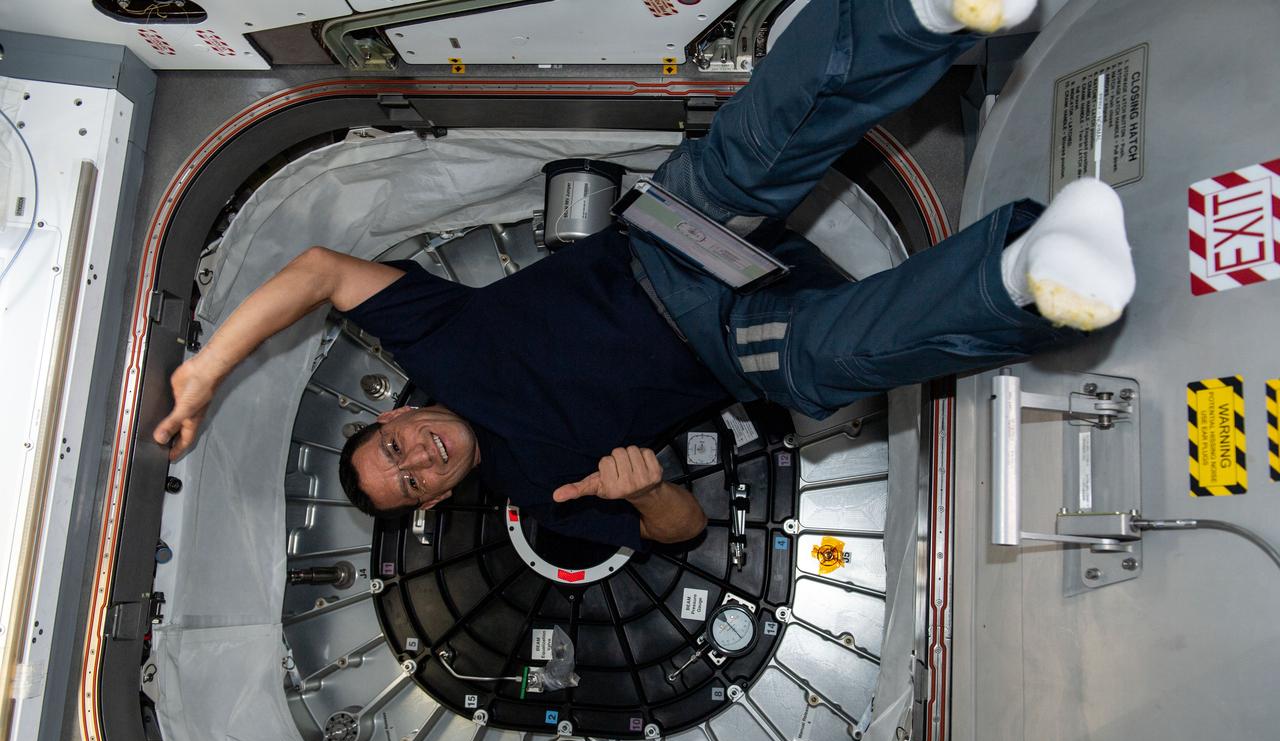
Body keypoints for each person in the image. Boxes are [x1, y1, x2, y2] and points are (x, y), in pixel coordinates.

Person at [153, 0, 1135, 551]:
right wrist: (647, 484)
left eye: (392, 445)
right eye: (408, 479)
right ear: (426, 503)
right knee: (812, 362)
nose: (415, 456)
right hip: (722, 339)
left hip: (667, 249)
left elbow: (320, 268)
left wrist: (204, 367)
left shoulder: (433, 339)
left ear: (390, 415)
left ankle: (919, 16)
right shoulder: (543, 499)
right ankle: (1020, 275)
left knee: (744, 153)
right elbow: (677, 530)